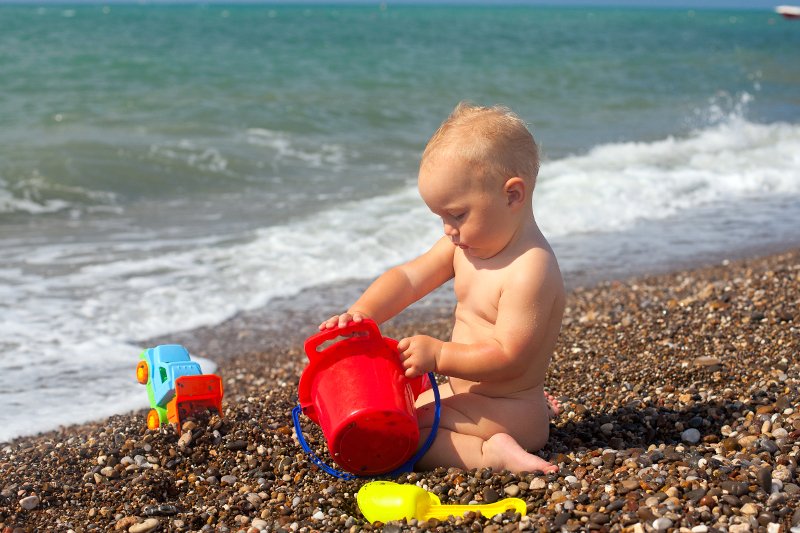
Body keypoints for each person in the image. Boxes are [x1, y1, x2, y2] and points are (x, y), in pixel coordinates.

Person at [319, 102, 565, 474]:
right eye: (441, 217)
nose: (448, 229)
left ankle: (492, 454)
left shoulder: (529, 269)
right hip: (471, 397)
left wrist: (439, 356)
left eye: (457, 214)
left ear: (512, 195)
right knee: (402, 404)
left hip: (509, 407)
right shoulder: (464, 246)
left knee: (406, 433)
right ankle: (493, 437)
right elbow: (409, 278)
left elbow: (509, 355)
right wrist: (363, 313)